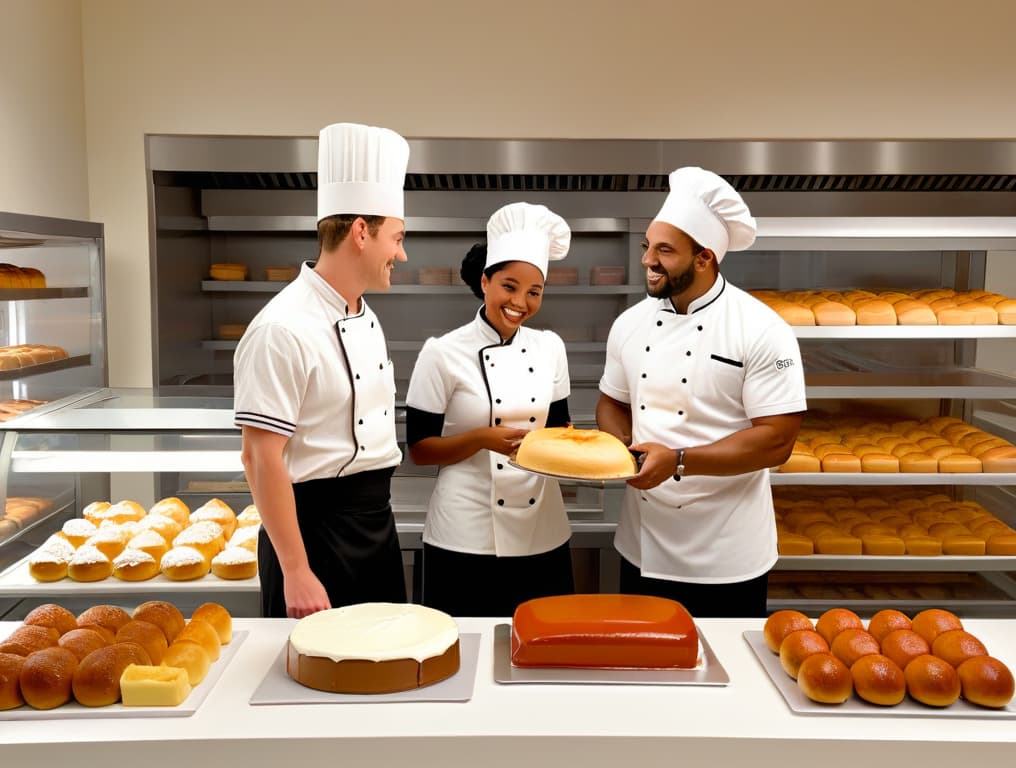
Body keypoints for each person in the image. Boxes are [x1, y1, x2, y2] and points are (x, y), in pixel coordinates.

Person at [596, 167, 806, 618]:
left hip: (727, 553)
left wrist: (678, 461)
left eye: (664, 250)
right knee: (644, 674)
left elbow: (777, 440)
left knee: (729, 678)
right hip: (644, 546)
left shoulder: (763, 329)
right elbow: (612, 402)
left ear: (705, 258)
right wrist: (622, 454)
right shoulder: (630, 324)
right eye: (646, 246)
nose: (647, 259)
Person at [234, 122, 410, 618]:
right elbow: (259, 458)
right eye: (396, 238)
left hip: (374, 524)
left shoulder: (364, 314)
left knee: (381, 674)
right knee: (312, 687)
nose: (401, 252)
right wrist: (295, 570)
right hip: (314, 537)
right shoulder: (281, 329)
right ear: (360, 232)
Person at [404, 202, 576, 617]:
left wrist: (582, 454)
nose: (521, 301)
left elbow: (560, 428)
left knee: (543, 647)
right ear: (485, 282)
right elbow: (420, 450)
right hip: (465, 532)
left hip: (542, 528)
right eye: (509, 286)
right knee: (465, 652)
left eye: (534, 292)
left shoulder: (550, 347)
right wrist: (484, 438)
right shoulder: (442, 353)